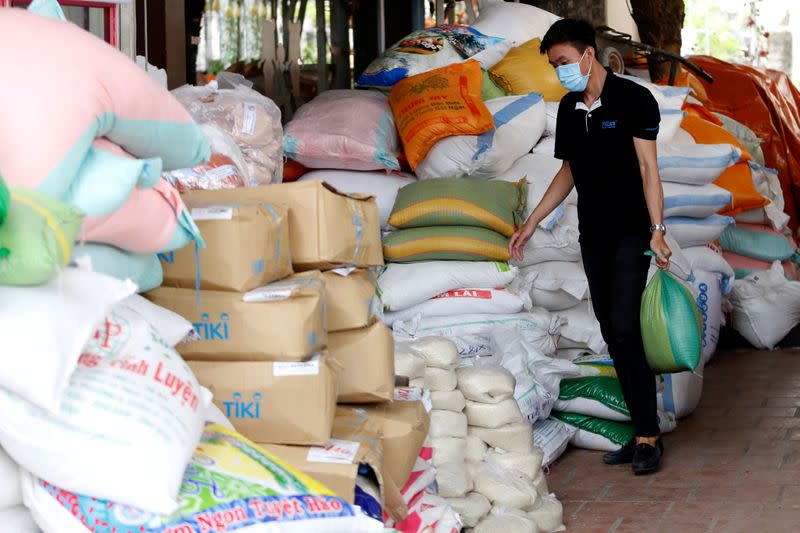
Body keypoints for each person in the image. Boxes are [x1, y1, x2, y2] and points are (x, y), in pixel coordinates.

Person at [508, 18, 672, 475]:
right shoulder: (567, 108)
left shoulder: (634, 100)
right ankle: (643, 428)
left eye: (562, 62)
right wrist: (532, 223)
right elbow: (568, 173)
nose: (559, 71)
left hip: (631, 232)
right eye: (554, 65)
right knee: (612, 330)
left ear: (587, 55)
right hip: (592, 235)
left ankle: (648, 437)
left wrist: (658, 228)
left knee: (623, 325)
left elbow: (648, 170)